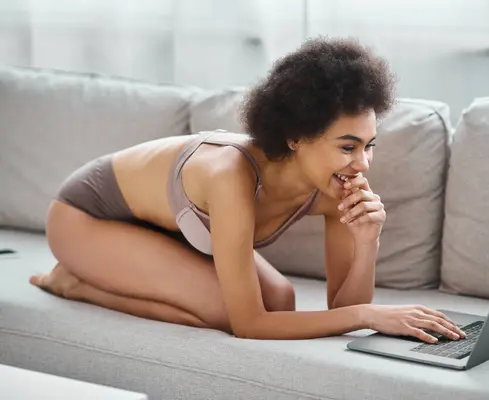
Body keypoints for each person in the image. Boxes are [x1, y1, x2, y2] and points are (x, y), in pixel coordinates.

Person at [30, 37, 466, 343]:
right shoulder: (230, 176)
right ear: (296, 136)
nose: (363, 163)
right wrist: (370, 314)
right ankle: (75, 283)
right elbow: (249, 325)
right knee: (229, 313)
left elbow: (340, 310)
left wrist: (368, 243)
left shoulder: (335, 189)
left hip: (161, 227)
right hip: (86, 217)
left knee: (282, 298)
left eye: (369, 146)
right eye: (347, 147)